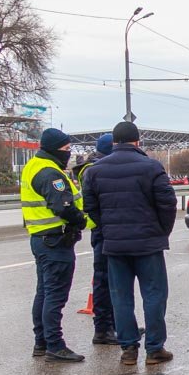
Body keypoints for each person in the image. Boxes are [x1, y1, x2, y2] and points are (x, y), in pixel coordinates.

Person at [82, 122, 177, 366]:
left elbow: (90, 206)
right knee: (154, 295)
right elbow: (167, 204)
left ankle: (128, 349)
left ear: (114, 142)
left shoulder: (95, 171)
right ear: (137, 142)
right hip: (148, 244)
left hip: (115, 245)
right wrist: (161, 232)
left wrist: (107, 229)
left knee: (120, 297)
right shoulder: (152, 167)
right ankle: (154, 348)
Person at [21, 128, 87, 362]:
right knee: (55, 296)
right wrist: (82, 220)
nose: (69, 154)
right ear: (54, 149)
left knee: (44, 292)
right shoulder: (50, 173)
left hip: (41, 238)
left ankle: (41, 342)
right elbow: (63, 206)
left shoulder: (33, 166)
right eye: (67, 150)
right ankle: (54, 345)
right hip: (55, 240)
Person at [71, 134, 119, 346]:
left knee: (113, 280)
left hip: (103, 229)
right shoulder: (94, 170)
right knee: (104, 280)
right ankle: (103, 329)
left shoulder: (93, 167)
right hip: (102, 230)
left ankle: (117, 325)